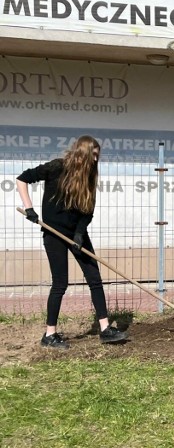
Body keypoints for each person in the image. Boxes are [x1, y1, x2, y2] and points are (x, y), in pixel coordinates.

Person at [17, 135, 128, 349]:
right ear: (83, 153)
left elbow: (88, 211)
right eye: (93, 155)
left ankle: (105, 329)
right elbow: (23, 178)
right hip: (54, 234)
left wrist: (79, 233)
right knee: (60, 283)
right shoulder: (56, 167)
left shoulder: (89, 177)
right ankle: (49, 335)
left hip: (76, 233)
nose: (96, 160)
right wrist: (29, 208)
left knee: (94, 277)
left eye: (98, 156)